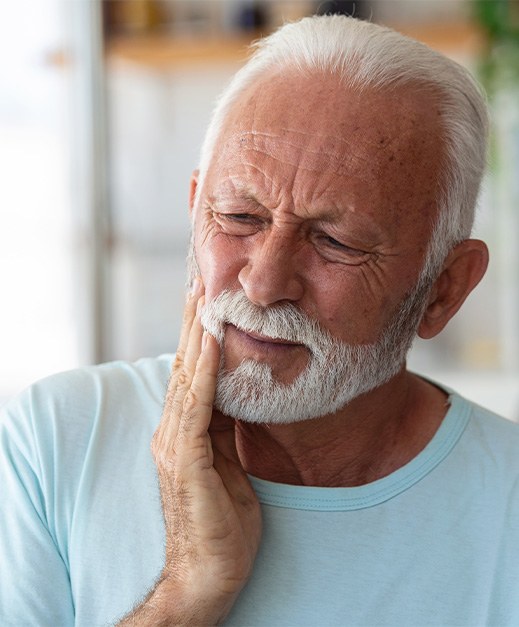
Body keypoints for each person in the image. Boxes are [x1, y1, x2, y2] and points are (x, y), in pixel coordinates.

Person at [1, 14, 518, 627]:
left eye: (336, 242)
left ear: (442, 291)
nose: (264, 282)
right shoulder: (53, 442)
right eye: (240, 217)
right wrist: (188, 591)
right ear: (196, 209)